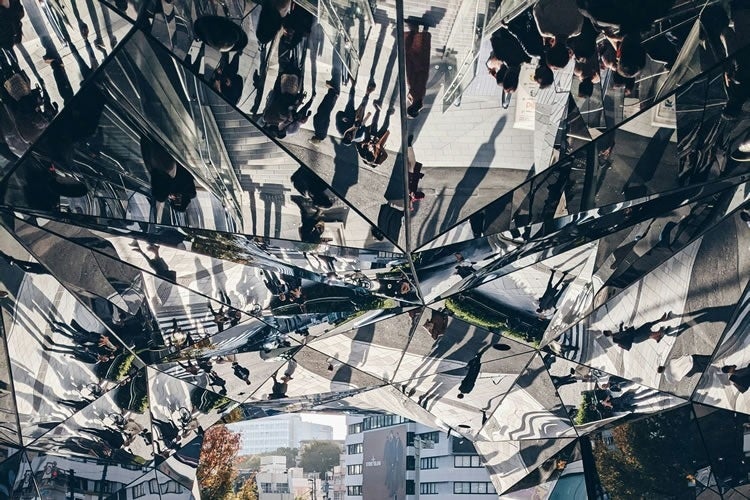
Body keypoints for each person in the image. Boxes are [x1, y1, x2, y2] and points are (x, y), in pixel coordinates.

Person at [404, 22, 431, 118]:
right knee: (416, 51)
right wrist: (418, 66)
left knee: (421, 50)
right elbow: (420, 80)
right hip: (416, 69)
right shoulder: (417, 96)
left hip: (416, 70)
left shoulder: (418, 99)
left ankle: (421, 31)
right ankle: (416, 30)